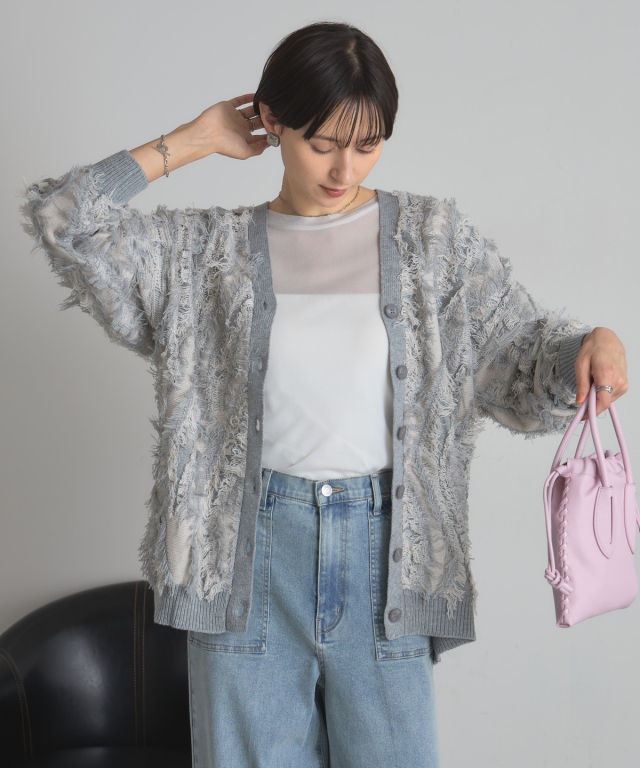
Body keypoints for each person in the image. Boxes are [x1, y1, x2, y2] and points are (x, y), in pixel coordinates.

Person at [20, 20, 627, 768]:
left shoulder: (433, 243)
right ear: (274, 122)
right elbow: (67, 220)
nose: (345, 168)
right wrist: (196, 139)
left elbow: (520, 358)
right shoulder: (202, 256)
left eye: (368, 144)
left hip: (385, 557)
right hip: (246, 561)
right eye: (323, 143)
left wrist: (587, 345)